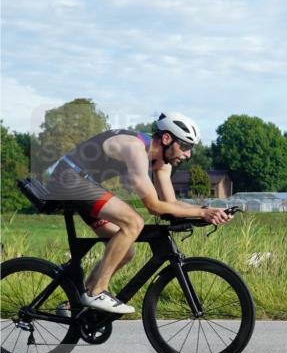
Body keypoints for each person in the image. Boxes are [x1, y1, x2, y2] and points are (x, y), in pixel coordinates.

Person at [44, 112, 232, 314]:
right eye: (185, 146)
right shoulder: (135, 149)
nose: (188, 155)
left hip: (84, 182)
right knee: (133, 222)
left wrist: (205, 211)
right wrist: (201, 214)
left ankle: (79, 302)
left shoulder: (162, 162)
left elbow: (170, 203)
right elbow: (154, 206)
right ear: (166, 139)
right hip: (68, 179)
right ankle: (97, 292)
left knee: (125, 252)